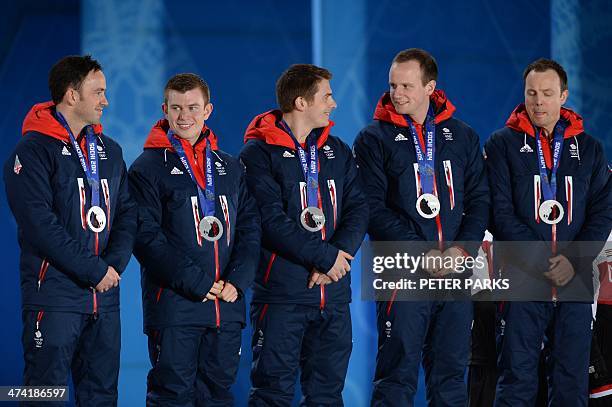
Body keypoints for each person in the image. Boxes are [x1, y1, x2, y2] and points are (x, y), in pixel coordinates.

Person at [353, 48, 489, 406]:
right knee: (396, 376)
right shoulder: (373, 139)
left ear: (430, 87)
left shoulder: (462, 136)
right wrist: (421, 251)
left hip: (455, 271)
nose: (397, 94)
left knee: (450, 375)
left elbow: (480, 200)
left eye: (407, 86)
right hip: (404, 271)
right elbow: (372, 207)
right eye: (393, 85)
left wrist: (462, 249)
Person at [3, 55, 136, 406]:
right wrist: (95, 270)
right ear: (72, 95)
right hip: (55, 296)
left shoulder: (110, 151)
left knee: (102, 396)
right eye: (98, 92)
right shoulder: (31, 152)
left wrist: (113, 267)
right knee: (42, 395)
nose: (105, 101)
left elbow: (127, 213)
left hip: (105, 300)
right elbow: (38, 225)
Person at [485, 58, 612, 406]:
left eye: (547, 93)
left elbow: (603, 211)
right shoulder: (501, 145)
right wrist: (541, 258)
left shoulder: (589, 149)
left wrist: (573, 258)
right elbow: (499, 211)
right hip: (523, 275)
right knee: (516, 379)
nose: (538, 101)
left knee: (571, 382)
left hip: (575, 277)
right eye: (532, 93)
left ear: (563, 96)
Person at [128, 73, 260, 406]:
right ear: (165, 110)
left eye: (192, 107)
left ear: (208, 110)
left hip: (226, 307)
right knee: (172, 396)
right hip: (175, 307)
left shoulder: (230, 167)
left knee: (217, 396)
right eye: (176, 108)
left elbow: (249, 228)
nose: (185, 116)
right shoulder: (147, 168)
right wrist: (197, 283)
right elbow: (145, 237)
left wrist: (238, 282)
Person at [240, 64, 368, 406]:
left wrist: (337, 257)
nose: (333, 104)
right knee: (272, 394)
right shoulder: (258, 154)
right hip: (283, 294)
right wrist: (325, 258)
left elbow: (359, 208)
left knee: (327, 395)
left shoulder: (337, 150)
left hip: (334, 295)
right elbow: (269, 220)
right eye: (326, 96)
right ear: (300, 103)